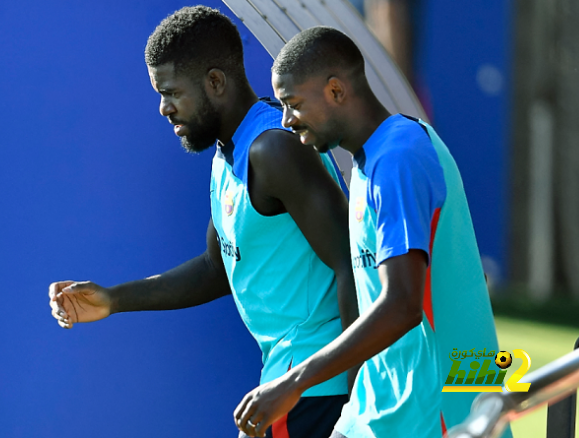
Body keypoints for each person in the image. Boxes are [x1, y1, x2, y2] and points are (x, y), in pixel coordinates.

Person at [48, 9, 359, 438]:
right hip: (289, 385)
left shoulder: (274, 150)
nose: (162, 108)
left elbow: (353, 265)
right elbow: (218, 268)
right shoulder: (226, 153)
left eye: (171, 92)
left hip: (320, 391)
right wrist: (113, 299)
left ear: (215, 82)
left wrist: (359, 399)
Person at [234, 26, 508, 438]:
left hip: (437, 417)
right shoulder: (369, 163)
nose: (287, 120)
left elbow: (402, 305)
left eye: (293, 104)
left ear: (336, 91)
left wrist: (293, 382)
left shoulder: (400, 157)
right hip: (378, 413)